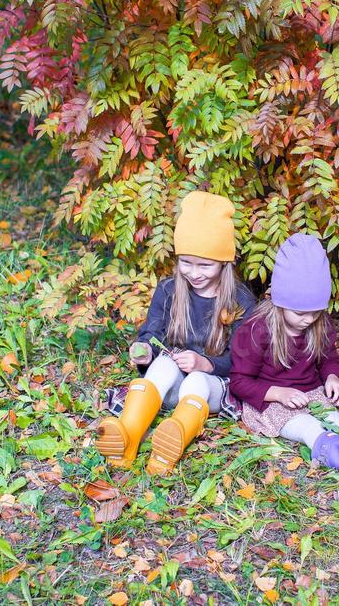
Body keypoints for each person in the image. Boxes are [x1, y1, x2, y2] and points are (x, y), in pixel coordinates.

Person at [96, 190, 255, 473]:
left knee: (196, 379)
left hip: (211, 389)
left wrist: (206, 363)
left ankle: (168, 449)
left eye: (205, 265)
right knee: (164, 364)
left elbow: (245, 362)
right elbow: (151, 333)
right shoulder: (170, 290)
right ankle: (128, 436)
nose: (194, 273)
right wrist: (144, 350)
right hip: (169, 389)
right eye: (187, 263)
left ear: (224, 263)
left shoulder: (240, 300)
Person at [230, 234, 339, 481]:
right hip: (269, 402)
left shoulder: (318, 324)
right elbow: (240, 382)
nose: (308, 319)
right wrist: (278, 393)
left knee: (334, 419)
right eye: (299, 312)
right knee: (308, 427)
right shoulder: (256, 330)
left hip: (310, 394)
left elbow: (328, 359)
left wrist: (333, 379)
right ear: (278, 301)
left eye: (315, 312)